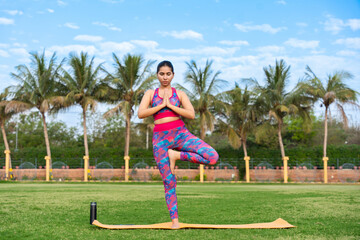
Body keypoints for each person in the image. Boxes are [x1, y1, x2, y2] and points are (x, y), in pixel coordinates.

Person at [138, 60, 219, 229]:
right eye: (162, 74)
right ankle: (175, 221)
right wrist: (161, 105)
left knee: (212, 157)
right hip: (160, 140)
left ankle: (176, 155)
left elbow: (191, 114)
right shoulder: (150, 94)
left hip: (181, 134)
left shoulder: (180, 94)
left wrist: (171, 106)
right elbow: (141, 113)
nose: (165, 77)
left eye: (168, 74)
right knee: (169, 182)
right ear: (157, 75)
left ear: (173, 75)